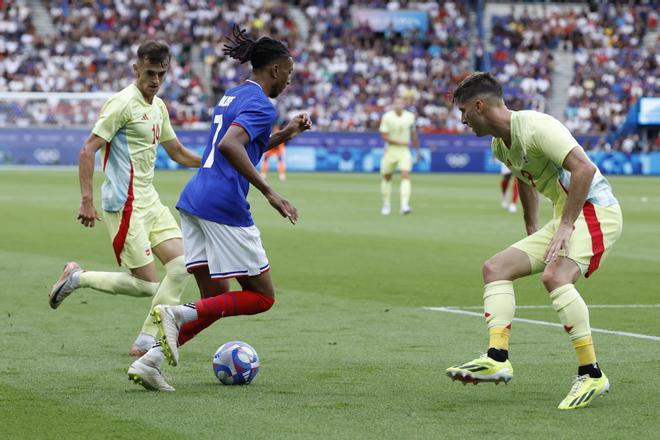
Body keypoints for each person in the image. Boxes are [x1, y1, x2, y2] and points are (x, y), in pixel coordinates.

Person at [128, 25, 312, 391]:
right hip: (224, 204)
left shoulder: (232, 96)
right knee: (261, 296)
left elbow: (242, 146)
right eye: (288, 74)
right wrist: (271, 193)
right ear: (275, 69)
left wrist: (285, 135)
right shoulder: (262, 103)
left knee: (214, 300)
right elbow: (231, 146)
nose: (289, 81)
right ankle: (176, 313)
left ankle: (151, 362)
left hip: (195, 198)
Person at [446, 72, 623, 410]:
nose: (462, 119)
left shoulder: (536, 126)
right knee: (495, 268)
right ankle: (497, 357)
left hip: (596, 211)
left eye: (463, 110)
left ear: (479, 105)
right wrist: (533, 228)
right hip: (566, 216)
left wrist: (566, 225)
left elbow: (583, 169)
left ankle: (592, 373)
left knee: (555, 276)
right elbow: (524, 180)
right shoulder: (500, 144)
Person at [48, 41, 201, 356]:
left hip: (151, 201)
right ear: (136, 69)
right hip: (125, 205)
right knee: (146, 285)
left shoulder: (158, 107)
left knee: (181, 266)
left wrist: (213, 162)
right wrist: (86, 199)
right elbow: (88, 149)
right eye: (149, 73)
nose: (155, 80)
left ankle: (146, 340)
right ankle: (78, 278)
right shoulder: (121, 104)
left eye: (161, 73)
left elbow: (177, 152)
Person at [379, 97, 420, 215]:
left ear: (403, 104)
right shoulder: (387, 117)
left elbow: (413, 135)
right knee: (387, 177)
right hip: (390, 150)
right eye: (396, 103)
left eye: (400, 103)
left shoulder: (410, 117)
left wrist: (417, 151)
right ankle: (386, 204)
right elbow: (384, 136)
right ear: (393, 105)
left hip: (404, 151)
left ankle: (404, 205)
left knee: (405, 175)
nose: (398, 105)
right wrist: (399, 142)